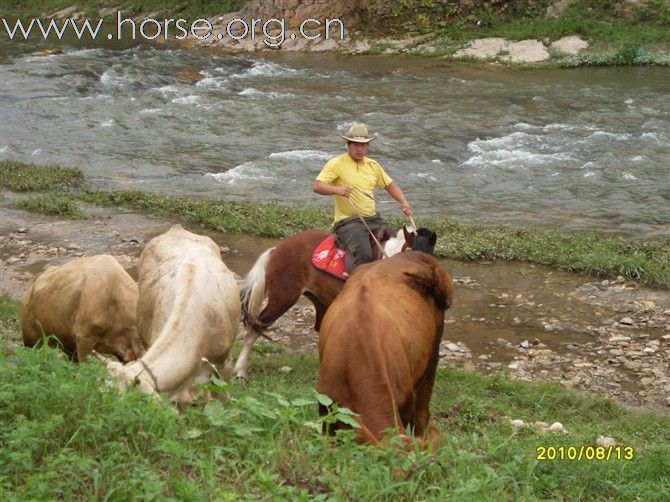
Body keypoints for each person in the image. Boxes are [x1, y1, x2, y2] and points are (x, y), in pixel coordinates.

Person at [313, 122, 413, 273]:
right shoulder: (336, 163)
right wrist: (337, 190)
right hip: (347, 222)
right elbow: (317, 186)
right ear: (348, 145)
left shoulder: (373, 165)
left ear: (367, 146)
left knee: (394, 244)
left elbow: (390, 185)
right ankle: (355, 285)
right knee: (364, 253)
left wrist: (404, 202)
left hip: (373, 219)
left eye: (363, 145)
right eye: (355, 145)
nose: (360, 149)